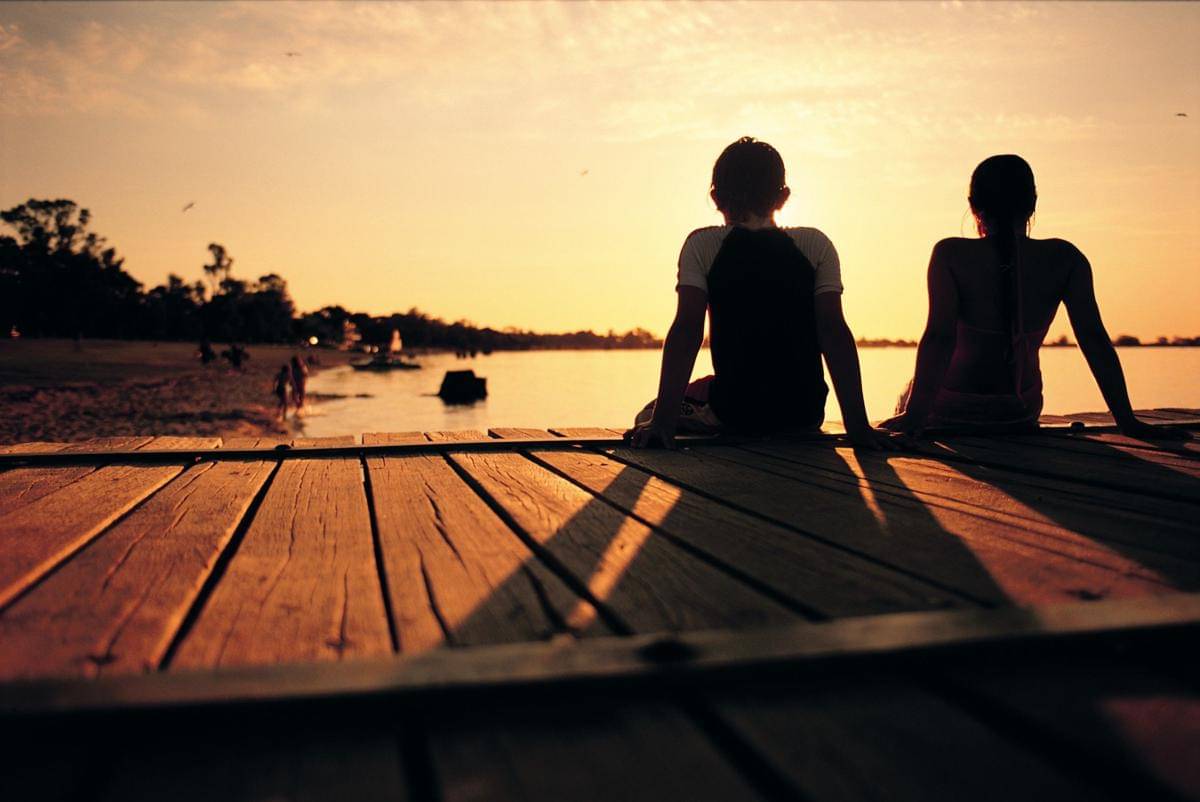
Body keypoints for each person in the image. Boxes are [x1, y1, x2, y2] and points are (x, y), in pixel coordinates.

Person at [627, 136, 902, 450]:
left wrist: (662, 422)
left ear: (716, 197)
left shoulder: (702, 245)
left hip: (736, 413)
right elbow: (833, 331)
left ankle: (678, 419)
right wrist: (858, 428)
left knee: (647, 413)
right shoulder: (817, 245)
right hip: (805, 413)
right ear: (783, 197)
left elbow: (688, 329)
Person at [881, 154, 1182, 439]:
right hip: (1017, 412)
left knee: (907, 392)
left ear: (973, 205)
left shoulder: (950, 254)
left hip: (950, 410)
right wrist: (1127, 421)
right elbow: (1094, 340)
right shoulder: (1066, 258)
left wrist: (915, 416)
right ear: (1033, 203)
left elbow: (939, 338)